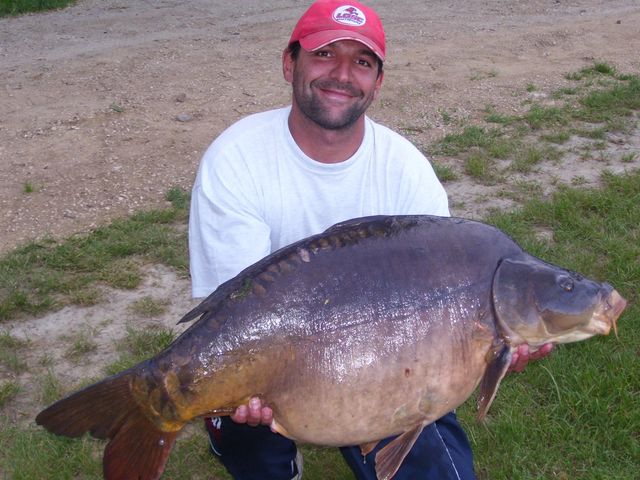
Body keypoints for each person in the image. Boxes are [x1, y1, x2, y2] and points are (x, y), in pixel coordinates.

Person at [188, 1, 552, 479]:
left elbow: (449, 299)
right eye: (324, 55)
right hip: (273, 355)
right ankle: (239, 437)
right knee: (246, 437)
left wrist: (493, 348)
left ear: (377, 81)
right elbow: (231, 308)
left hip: (390, 358)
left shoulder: (405, 168)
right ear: (289, 62)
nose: (342, 74)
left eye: (361, 62)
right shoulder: (235, 159)